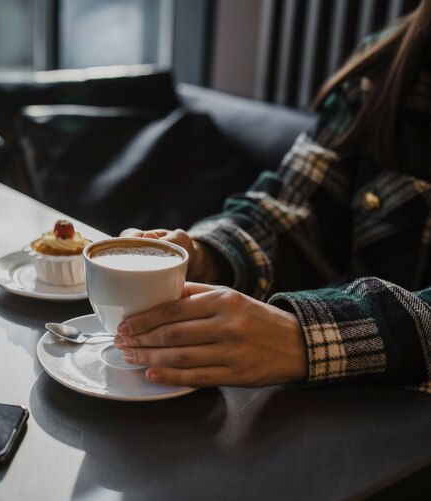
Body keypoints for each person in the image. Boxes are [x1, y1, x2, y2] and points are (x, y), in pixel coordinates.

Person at [114, 2, 431, 394]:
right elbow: (293, 207)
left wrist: (303, 337)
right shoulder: (388, 65)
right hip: (354, 409)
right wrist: (204, 255)